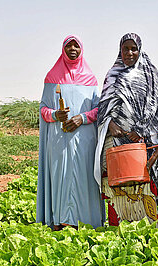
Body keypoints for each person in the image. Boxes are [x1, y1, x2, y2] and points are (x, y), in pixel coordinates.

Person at [94, 33, 158, 226]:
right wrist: (110, 124)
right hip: (116, 141)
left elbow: (157, 108)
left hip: (142, 143)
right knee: (116, 185)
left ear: (140, 49)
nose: (129, 53)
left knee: (143, 185)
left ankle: (147, 231)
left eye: (133, 48)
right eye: (125, 49)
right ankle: (118, 230)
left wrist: (142, 130)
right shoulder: (113, 74)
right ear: (120, 50)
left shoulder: (150, 74)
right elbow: (104, 107)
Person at [36, 35, 104, 230]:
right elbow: (42, 109)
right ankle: (60, 220)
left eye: (76, 45)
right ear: (63, 49)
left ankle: (86, 221)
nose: (73, 48)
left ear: (81, 49)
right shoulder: (52, 77)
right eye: (69, 45)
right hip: (59, 141)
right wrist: (56, 115)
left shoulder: (90, 79)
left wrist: (81, 118)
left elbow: (99, 109)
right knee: (61, 177)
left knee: (84, 179)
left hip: (84, 140)